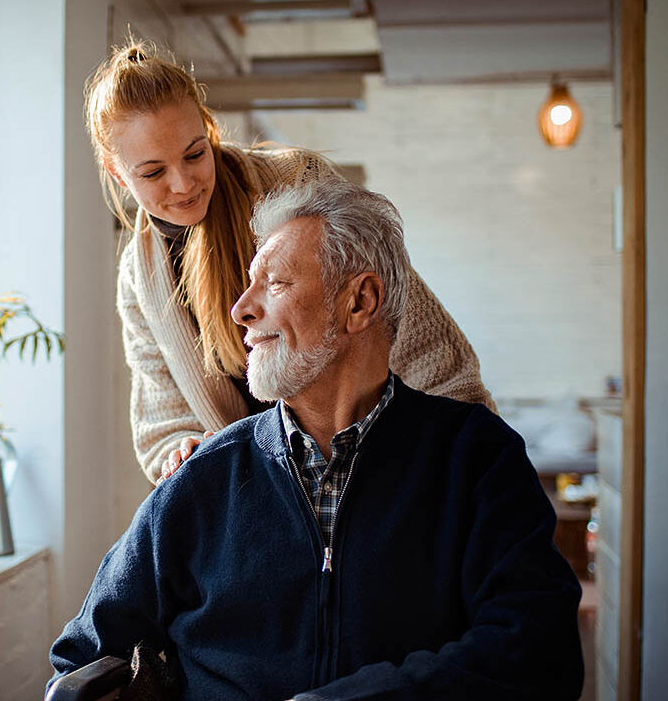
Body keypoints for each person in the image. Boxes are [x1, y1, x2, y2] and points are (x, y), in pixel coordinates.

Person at [48, 177, 584, 700]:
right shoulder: (205, 476)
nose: (242, 310)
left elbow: (540, 651)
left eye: (275, 284)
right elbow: (81, 660)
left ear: (359, 302)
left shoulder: (476, 458)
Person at [84, 40, 496, 485]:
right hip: (267, 498)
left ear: (209, 129)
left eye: (195, 154)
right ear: (115, 170)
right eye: (152, 172)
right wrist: (184, 449)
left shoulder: (295, 183)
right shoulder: (139, 277)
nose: (183, 184)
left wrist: (470, 451)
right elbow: (162, 422)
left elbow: (409, 327)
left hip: (381, 464)